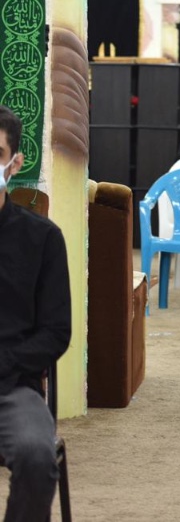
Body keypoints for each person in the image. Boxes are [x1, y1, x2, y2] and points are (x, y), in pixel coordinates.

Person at [0, 106, 72, 521]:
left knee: (36, 456)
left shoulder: (42, 238)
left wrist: (6, 363)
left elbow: (56, 332)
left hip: (12, 389)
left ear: (14, 163)